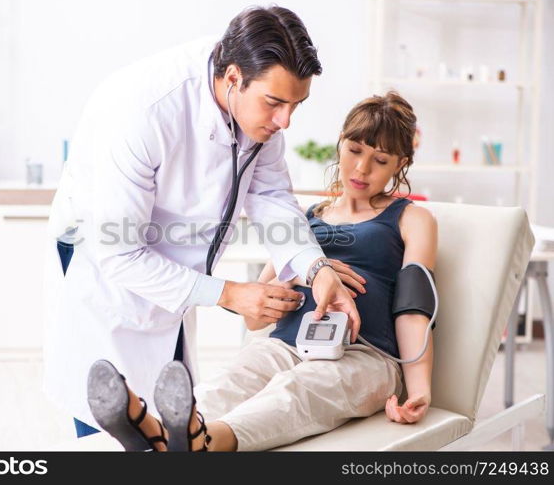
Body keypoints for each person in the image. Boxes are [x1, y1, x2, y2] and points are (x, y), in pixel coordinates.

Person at [44, 5, 363, 439]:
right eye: (274, 103)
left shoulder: (260, 112)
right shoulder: (144, 111)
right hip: (105, 263)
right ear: (233, 78)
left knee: (170, 414)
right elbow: (119, 253)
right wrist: (230, 293)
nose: (285, 121)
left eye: (296, 105)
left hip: (174, 265)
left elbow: (270, 196)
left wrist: (315, 266)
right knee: (109, 412)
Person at [86, 91, 439, 451]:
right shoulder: (304, 219)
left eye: (380, 160)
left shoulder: (411, 218)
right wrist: (309, 272)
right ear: (340, 145)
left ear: (401, 164)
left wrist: (420, 391)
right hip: (286, 345)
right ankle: (158, 433)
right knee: (230, 382)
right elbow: (255, 320)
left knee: (296, 391)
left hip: (365, 357)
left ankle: (196, 442)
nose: (361, 169)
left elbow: (413, 308)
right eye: (354, 151)